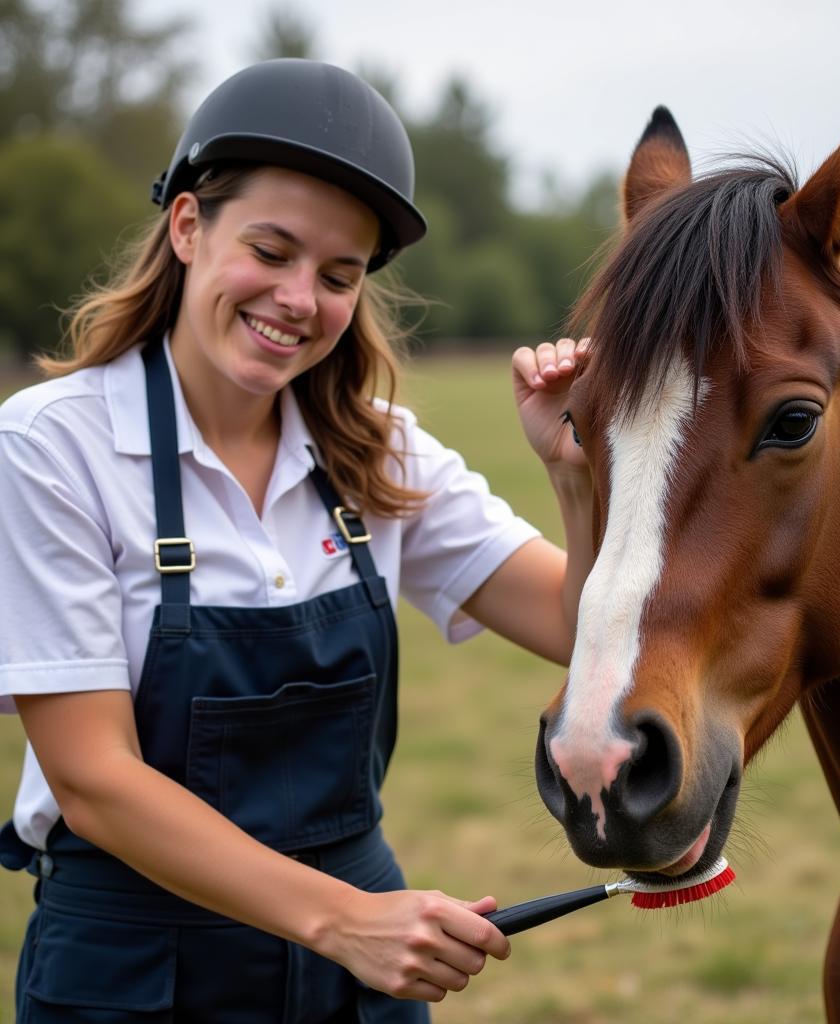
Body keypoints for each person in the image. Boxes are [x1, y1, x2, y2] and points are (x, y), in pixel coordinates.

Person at [0, 59, 592, 1022]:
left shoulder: (381, 450)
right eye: (270, 251)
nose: (297, 298)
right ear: (189, 226)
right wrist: (343, 922)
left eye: (337, 275)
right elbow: (93, 779)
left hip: (353, 977)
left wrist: (573, 470)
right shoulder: (51, 447)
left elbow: (583, 625)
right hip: (133, 972)